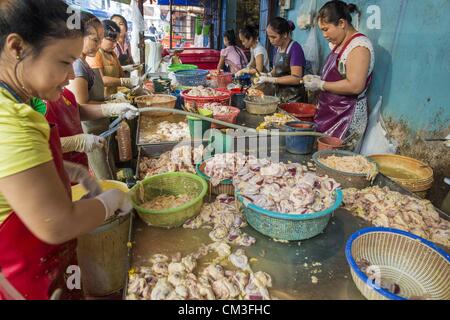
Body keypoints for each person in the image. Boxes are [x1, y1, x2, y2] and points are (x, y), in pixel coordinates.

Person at [0, 0, 131, 300]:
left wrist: (69, 168)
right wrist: (112, 201)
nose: (71, 76)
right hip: (26, 279)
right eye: (63, 62)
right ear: (17, 47)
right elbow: (56, 225)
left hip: (47, 270)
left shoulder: (17, 105)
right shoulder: (9, 121)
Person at [47, 13, 137, 174]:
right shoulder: (77, 67)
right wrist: (77, 142)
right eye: (95, 39)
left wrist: (112, 104)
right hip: (90, 132)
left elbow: (78, 108)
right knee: (102, 171)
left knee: (107, 167)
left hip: (94, 133)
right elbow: (82, 104)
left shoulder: (83, 64)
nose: (71, 76)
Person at [303, 1, 374, 151]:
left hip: (347, 116)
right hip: (331, 111)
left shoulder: (359, 47)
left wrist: (321, 84)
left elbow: (355, 86)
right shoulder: (340, 44)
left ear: (342, 23)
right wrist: (317, 80)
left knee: (337, 162)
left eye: (326, 29)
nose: (324, 35)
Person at [257, 17, 307, 103]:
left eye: (273, 37)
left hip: (294, 99)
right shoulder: (278, 48)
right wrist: (267, 75)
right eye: (269, 37)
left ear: (285, 34)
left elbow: (297, 78)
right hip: (281, 96)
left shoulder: (295, 48)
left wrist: (272, 80)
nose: (271, 40)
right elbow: (276, 70)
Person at [87, 19, 141, 98]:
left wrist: (133, 86)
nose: (115, 45)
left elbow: (121, 75)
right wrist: (126, 81)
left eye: (116, 41)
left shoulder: (112, 54)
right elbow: (101, 80)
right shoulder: (96, 54)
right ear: (101, 37)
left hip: (113, 98)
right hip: (99, 100)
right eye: (112, 41)